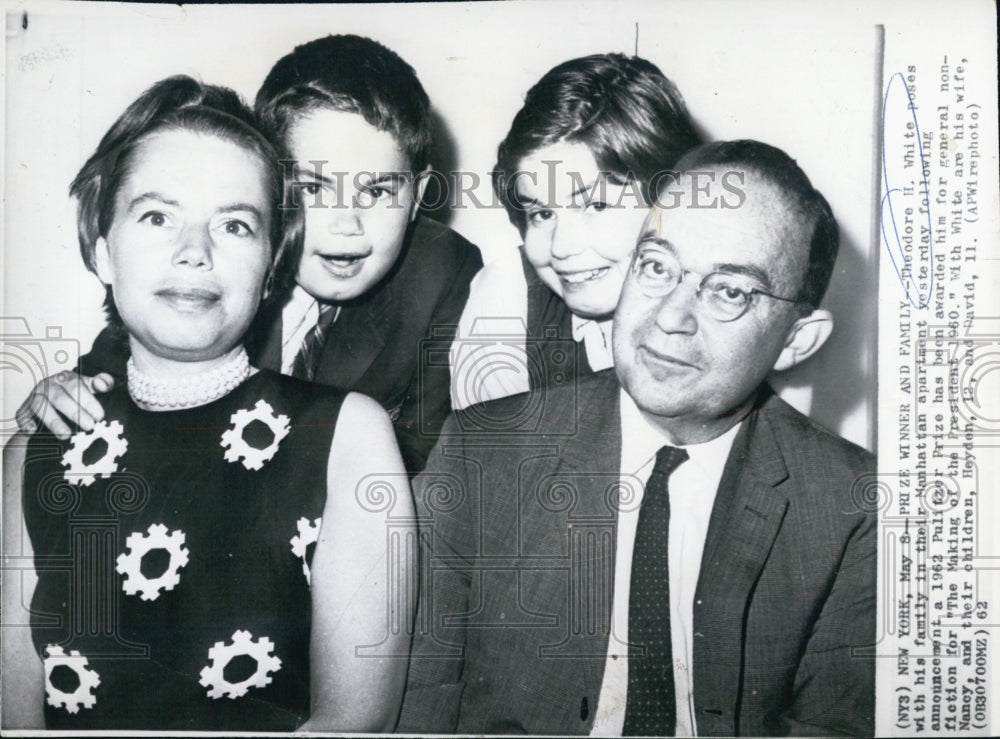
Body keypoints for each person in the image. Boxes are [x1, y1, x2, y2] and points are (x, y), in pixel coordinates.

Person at [399, 140, 876, 736]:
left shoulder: (854, 505)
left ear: (797, 340)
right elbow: (420, 706)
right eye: (656, 266)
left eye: (729, 290)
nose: (671, 316)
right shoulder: (483, 451)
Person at [1, 76, 413, 731]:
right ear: (103, 249)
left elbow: (352, 721)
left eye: (235, 224)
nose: (195, 252)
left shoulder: (348, 437)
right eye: (158, 216)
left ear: (271, 263)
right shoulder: (32, 452)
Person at [16, 35, 483, 477]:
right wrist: (68, 388)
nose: (347, 224)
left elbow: (423, 457)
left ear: (419, 195)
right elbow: (133, 349)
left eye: (377, 191)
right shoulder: (230, 261)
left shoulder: (440, 271)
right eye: (313, 188)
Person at [449, 53, 701, 409]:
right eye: (542, 213)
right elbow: (483, 457)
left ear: (671, 200)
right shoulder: (508, 299)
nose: (562, 248)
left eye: (596, 205)